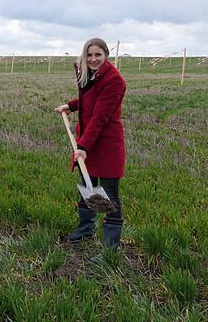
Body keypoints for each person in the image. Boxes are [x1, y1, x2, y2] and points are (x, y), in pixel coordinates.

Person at [55, 37, 126, 255]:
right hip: (88, 141)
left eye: (98, 55)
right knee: (87, 186)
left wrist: (82, 146)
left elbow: (100, 116)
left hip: (106, 144)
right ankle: (85, 229)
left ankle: (110, 248)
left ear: (106, 55)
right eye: (89, 54)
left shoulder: (114, 80)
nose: (93, 59)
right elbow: (89, 101)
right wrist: (71, 105)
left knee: (109, 195)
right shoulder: (87, 74)